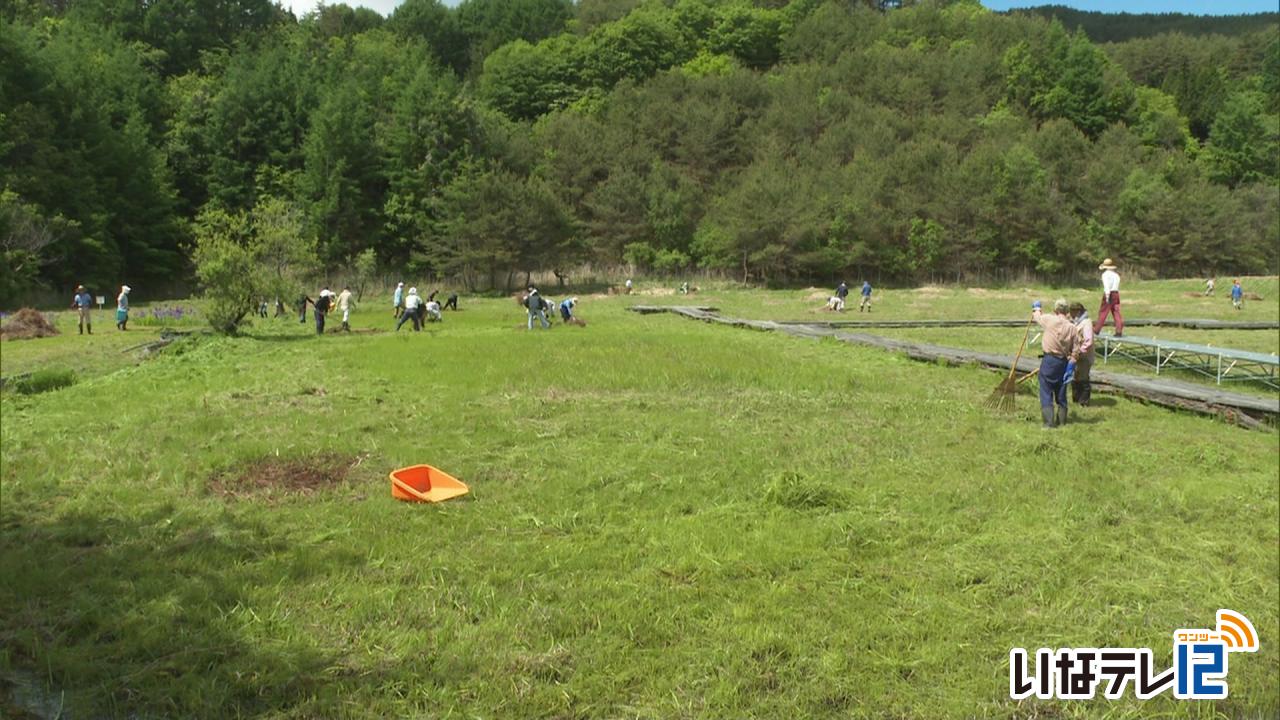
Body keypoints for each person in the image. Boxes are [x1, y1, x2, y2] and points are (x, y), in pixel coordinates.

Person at [1033, 298, 1081, 429]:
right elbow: (1076, 350)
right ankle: (1062, 421)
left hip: (1049, 360)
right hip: (1063, 362)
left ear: (1055, 310)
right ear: (1066, 311)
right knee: (1061, 390)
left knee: (1046, 389)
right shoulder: (1072, 328)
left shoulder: (1049, 319)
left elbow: (1037, 317)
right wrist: (1071, 365)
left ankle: (1048, 423)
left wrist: (1037, 308)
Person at [1068, 302, 1094, 407]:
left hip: (1084, 356)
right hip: (1076, 355)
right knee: (1075, 377)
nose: (1070, 314)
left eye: (1072, 312)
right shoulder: (1076, 322)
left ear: (1078, 311)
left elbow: (1088, 341)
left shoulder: (1086, 323)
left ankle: (1084, 401)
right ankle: (1076, 399)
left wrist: (1079, 352)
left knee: (1083, 378)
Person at [1092, 258, 1123, 337]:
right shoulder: (1116, 275)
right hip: (1116, 293)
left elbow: (1107, 286)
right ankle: (1119, 330)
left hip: (1109, 293)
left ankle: (1097, 329)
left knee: (1103, 312)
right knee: (1116, 312)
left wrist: (1107, 296)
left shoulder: (1105, 275)